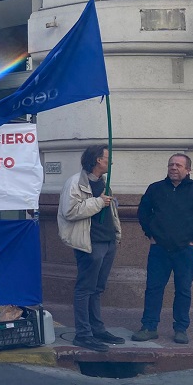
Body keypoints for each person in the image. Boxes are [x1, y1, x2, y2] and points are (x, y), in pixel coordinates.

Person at [133, 153, 193, 345]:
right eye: (171, 164)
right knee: (153, 288)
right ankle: (149, 326)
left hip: (185, 250)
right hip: (159, 249)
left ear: (188, 170)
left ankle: (181, 328)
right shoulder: (155, 189)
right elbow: (143, 213)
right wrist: (150, 234)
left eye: (178, 165)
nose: (173, 168)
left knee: (183, 290)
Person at [57, 145, 124, 352]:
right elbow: (70, 211)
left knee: (97, 288)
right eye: (107, 157)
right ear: (97, 160)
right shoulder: (75, 183)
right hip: (90, 243)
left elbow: (108, 208)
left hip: (107, 241)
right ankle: (83, 334)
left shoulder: (105, 183)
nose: (110, 161)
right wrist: (98, 202)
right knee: (85, 288)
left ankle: (97, 328)